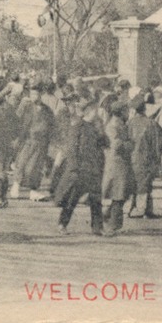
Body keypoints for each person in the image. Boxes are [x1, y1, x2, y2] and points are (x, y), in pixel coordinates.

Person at [53, 95, 107, 235]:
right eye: (95, 110)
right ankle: (62, 224)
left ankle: (97, 227)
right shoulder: (78, 127)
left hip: (93, 169)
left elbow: (105, 144)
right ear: (89, 111)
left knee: (96, 199)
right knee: (72, 198)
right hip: (80, 169)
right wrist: (74, 168)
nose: (98, 112)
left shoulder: (96, 128)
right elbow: (71, 149)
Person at [126, 96, 162, 219]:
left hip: (132, 158)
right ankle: (143, 210)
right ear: (144, 108)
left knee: (133, 184)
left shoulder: (129, 123)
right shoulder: (151, 123)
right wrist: (157, 160)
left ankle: (131, 209)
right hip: (147, 159)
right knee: (146, 184)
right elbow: (158, 144)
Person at [99, 100, 133, 236]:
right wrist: (130, 144)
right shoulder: (113, 125)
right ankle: (113, 224)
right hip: (116, 164)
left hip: (121, 164)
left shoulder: (120, 124)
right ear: (120, 112)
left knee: (123, 193)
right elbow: (116, 145)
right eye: (126, 110)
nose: (128, 113)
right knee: (119, 194)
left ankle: (107, 216)